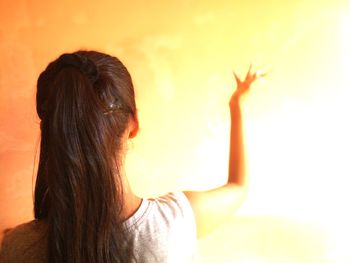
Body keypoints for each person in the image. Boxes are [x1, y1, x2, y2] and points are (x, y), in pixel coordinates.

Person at [0, 50, 259, 263]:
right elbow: (238, 188)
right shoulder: (175, 225)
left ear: (52, 131)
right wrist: (237, 105)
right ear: (133, 124)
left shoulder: (17, 248)